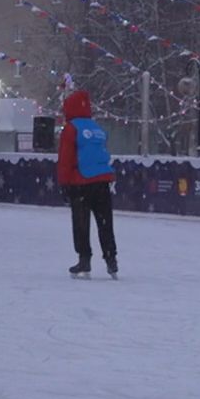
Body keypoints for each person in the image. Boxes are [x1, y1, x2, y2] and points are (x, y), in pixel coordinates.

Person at [56, 89, 117, 278]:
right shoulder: (97, 128)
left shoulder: (71, 128)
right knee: (105, 221)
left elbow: (66, 158)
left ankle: (84, 260)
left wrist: (64, 182)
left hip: (80, 181)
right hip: (103, 180)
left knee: (81, 223)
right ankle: (111, 259)